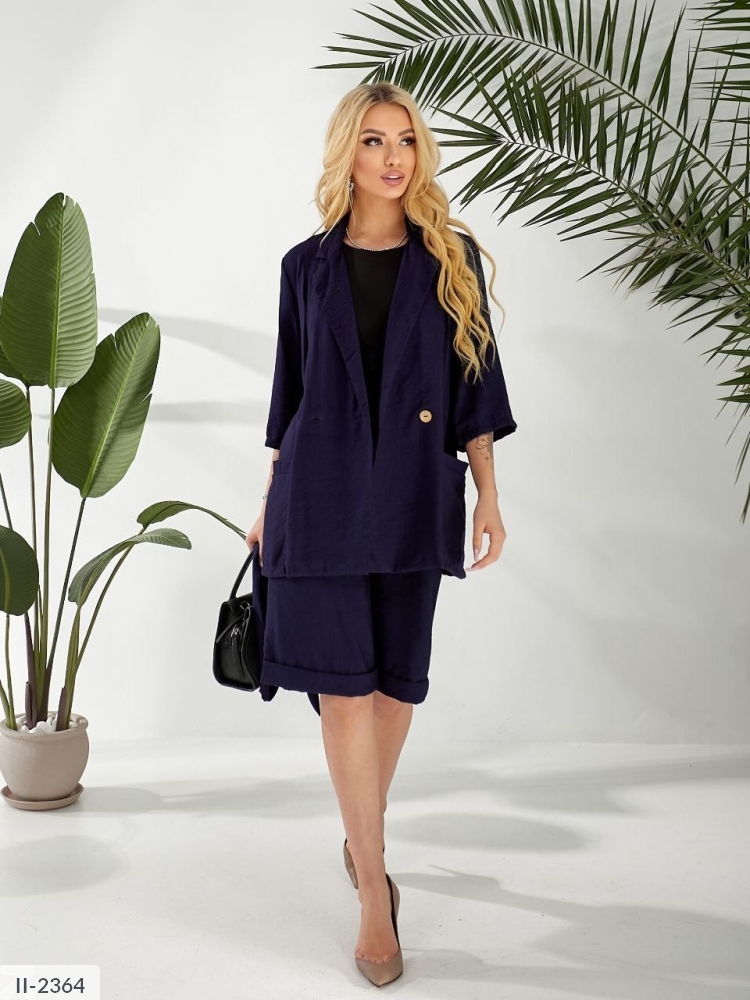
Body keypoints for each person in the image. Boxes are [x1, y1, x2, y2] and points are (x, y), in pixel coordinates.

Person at [244, 81, 517, 986]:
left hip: (410, 495)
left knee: (396, 687)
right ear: (346, 153)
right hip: (318, 496)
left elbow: (477, 388)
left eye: (405, 140)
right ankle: (373, 889)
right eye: (373, 140)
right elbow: (288, 395)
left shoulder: (450, 258)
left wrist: (488, 493)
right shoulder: (305, 267)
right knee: (345, 696)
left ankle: (362, 835)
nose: (394, 157)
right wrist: (267, 499)